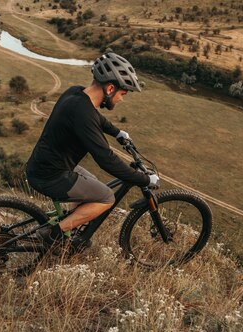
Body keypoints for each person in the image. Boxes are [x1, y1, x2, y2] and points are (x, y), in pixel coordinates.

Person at [25, 50, 160, 247]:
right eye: (122, 94)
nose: (122, 99)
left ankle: (70, 232)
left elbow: (97, 118)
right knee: (106, 197)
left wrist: (117, 132)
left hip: (45, 165)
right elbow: (106, 159)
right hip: (50, 176)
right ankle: (55, 234)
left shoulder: (76, 93)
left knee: (93, 183)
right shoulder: (83, 115)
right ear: (110, 88)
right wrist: (144, 179)